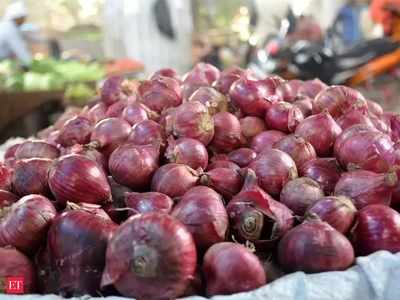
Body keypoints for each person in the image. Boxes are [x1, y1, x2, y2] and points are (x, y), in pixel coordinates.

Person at [0, 1, 32, 66]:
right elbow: (20, 50)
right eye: (23, 18)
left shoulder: (7, 26)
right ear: (17, 17)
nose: (24, 21)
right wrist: (31, 64)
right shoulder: (9, 29)